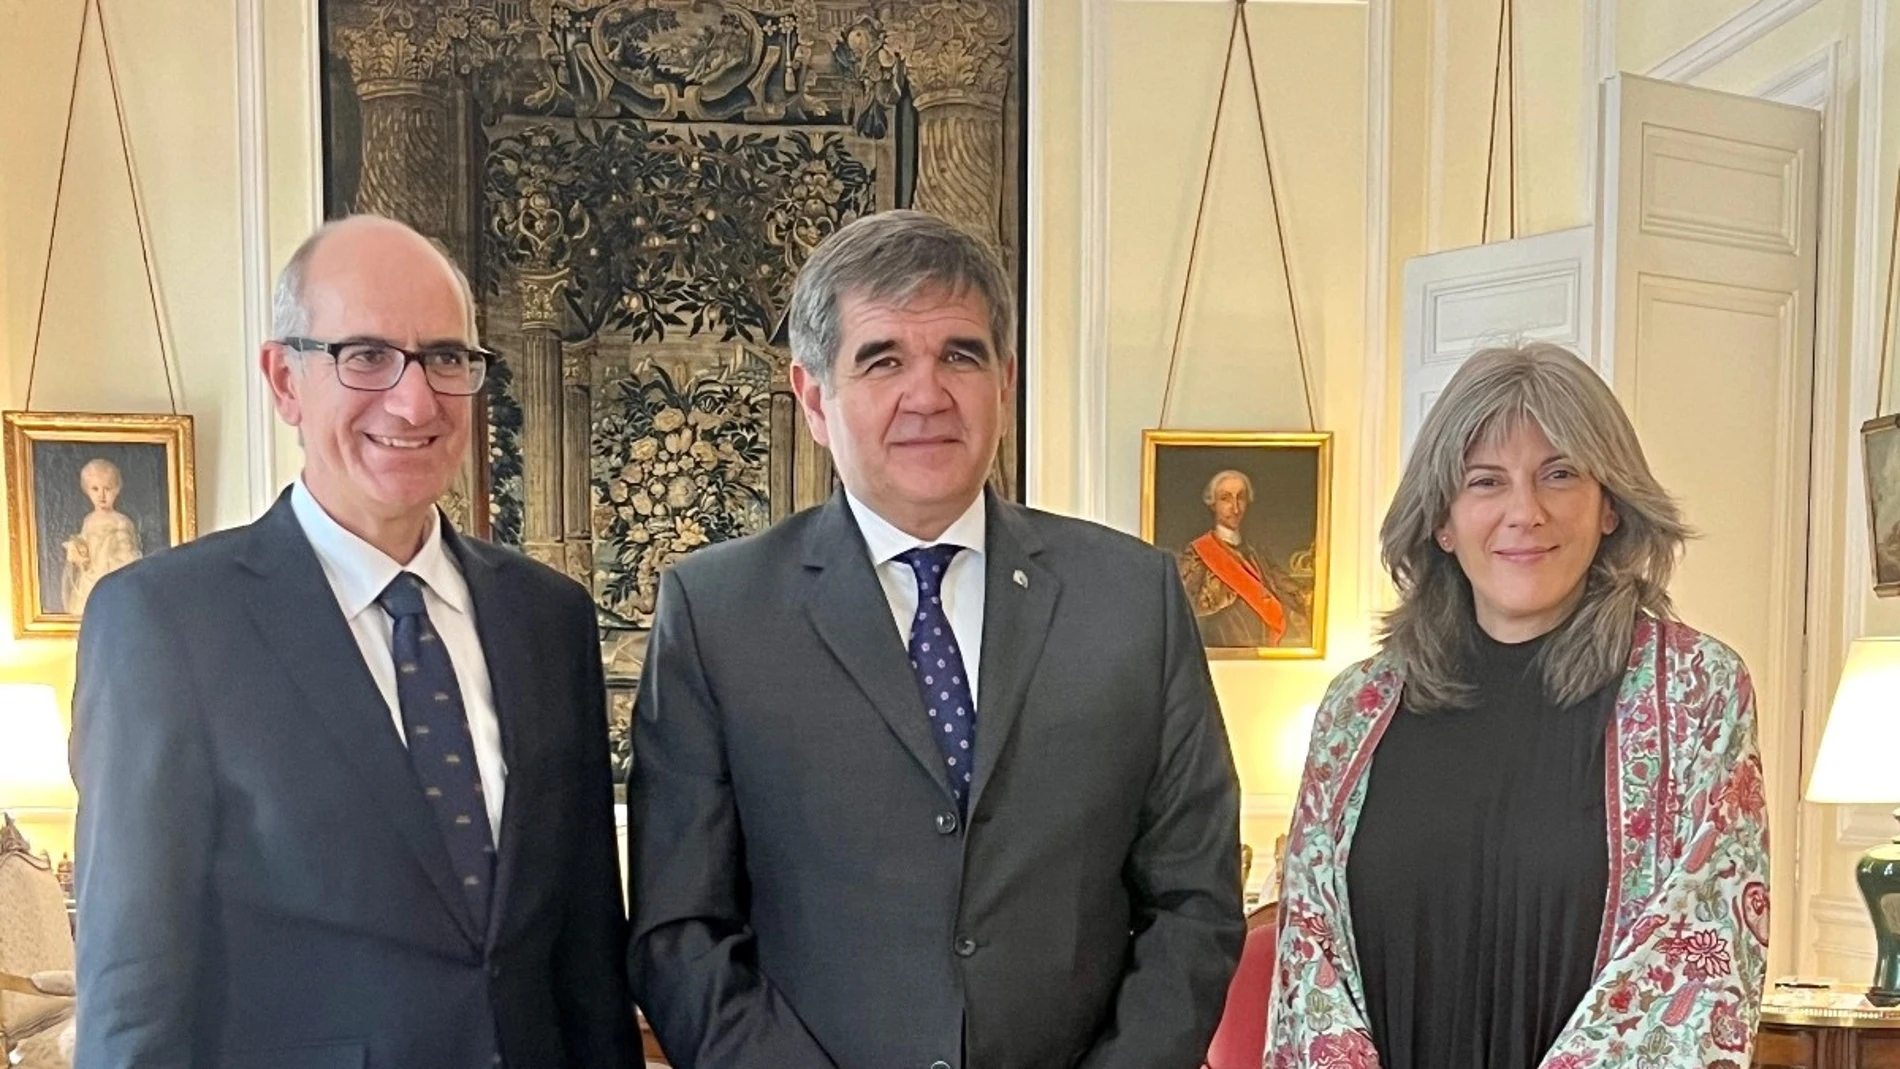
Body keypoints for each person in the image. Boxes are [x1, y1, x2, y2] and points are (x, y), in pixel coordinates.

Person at [627, 209, 1245, 1069]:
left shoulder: (1134, 599)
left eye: (960, 353)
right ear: (814, 397)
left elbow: (1195, 903)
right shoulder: (715, 611)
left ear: (1006, 380)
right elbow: (681, 928)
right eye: (882, 360)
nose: (928, 394)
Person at [70, 215, 636, 1069]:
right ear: (285, 379)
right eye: (365, 356)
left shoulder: (547, 618)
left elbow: (586, 955)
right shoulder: (164, 624)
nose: (414, 401)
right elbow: (133, 987)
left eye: (446, 357)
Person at [1266, 342, 1769, 1068]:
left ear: (1610, 507)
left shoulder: (1699, 691)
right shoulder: (1357, 708)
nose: (1524, 512)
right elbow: (1309, 966)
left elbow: (1702, 960)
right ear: (1443, 519)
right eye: (1485, 482)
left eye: (1559, 474)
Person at [1176, 469, 1309, 648]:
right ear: (1212, 503)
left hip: (1264, 649)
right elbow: (1186, 605)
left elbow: (1286, 587)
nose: (1235, 508)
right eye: (1225, 498)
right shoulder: (1197, 553)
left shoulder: (1257, 552)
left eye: (1241, 498)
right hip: (1222, 648)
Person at [61, 458, 142, 616]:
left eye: (107, 489)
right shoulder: (88, 520)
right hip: (89, 580)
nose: (102, 495)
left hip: (111, 577)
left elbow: (128, 556)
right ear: (87, 490)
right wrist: (78, 551)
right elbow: (85, 546)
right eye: (95, 489)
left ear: (116, 490)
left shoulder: (121, 521)